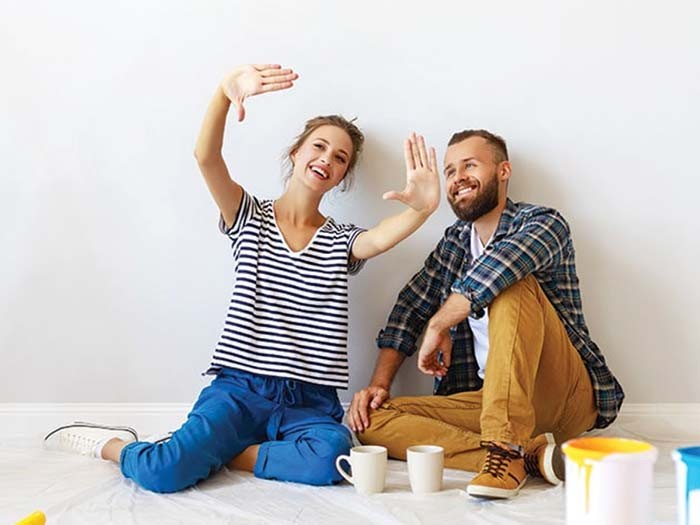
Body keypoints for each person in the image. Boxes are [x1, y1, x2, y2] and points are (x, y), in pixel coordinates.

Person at [44, 64, 440, 493]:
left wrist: (422, 209)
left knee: (333, 458)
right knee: (163, 472)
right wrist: (222, 93)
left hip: (309, 402)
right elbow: (206, 158)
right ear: (296, 153)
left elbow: (379, 238)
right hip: (239, 390)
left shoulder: (341, 240)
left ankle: (224, 453)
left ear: (342, 176)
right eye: (319, 146)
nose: (327, 159)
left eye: (340, 158)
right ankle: (114, 446)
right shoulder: (250, 216)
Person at [348, 129, 624, 499]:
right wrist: (379, 385)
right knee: (369, 421)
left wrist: (440, 322)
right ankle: (523, 456)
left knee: (510, 285)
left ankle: (505, 447)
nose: (458, 177)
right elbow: (409, 308)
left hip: (563, 396)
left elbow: (502, 266)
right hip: (491, 402)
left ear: (503, 171)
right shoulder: (454, 243)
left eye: (470, 165)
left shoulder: (543, 222)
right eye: (450, 171)